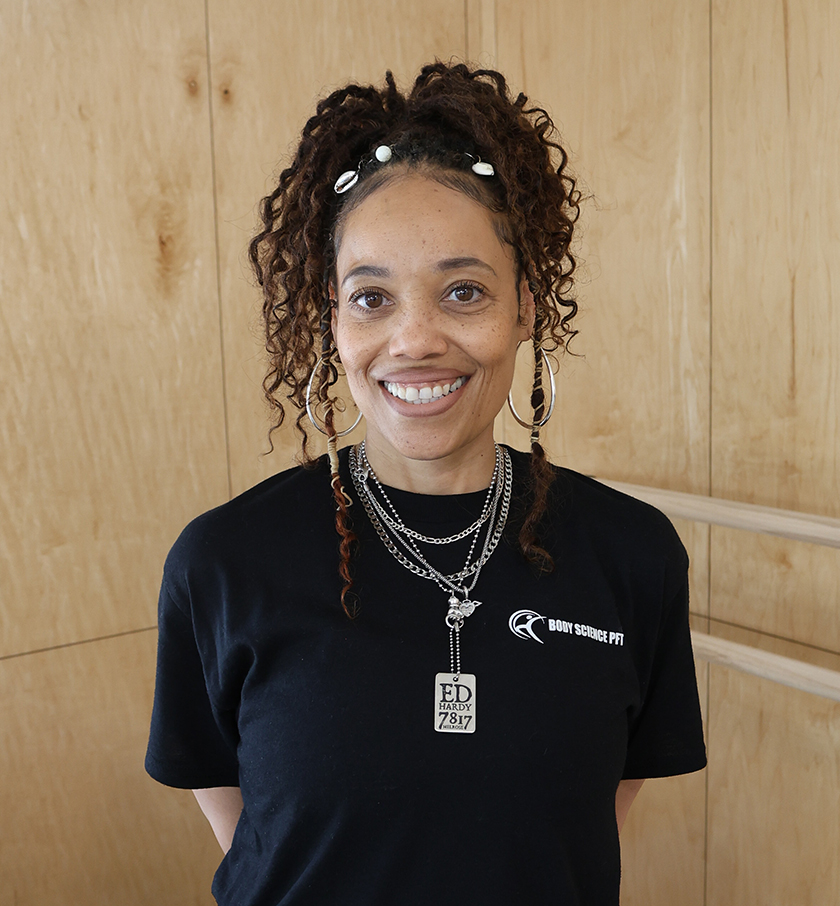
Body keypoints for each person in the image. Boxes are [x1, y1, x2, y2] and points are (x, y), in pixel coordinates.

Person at [145, 61, 706, 906]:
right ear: (331, 317)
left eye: (463, 291)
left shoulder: (632, 553)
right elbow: (242, 816)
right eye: (371, 298)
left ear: (526, 305)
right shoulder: (222, 560)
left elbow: (594, 806)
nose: (414, 339)